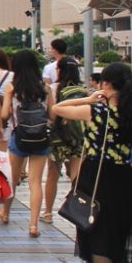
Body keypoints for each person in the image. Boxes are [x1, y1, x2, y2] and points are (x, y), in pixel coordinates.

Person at [53, 62, 132, 263]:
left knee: (97, 234)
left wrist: (89, 98)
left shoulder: (95, 111)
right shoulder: (131, 116)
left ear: (105, 84)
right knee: (112, 231)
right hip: (122, 176)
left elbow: (58, 109)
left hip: (96, 175)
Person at [0, 49, 53, 233]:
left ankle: (5, 212)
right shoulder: (45, 88)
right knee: (35, 181)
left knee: (13, 178)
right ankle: (33, 224)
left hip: (19, 137)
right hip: (41, 138)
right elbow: (52, 115)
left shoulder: (12, 87)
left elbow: (4, 114)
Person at [43, 57, 87, 223]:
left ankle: (48, 212)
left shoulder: (53, 88)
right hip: (78, 138)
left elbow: (53, 116)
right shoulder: (83, 90)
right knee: (76, 176)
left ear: (59, 70)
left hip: (58, 138)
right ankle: (77, 212)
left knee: (52, 174)